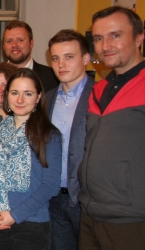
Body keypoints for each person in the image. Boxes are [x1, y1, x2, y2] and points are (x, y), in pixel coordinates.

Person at [79, 6, 145, 249]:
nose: (105, 45)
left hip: (132, 220)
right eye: (98, 38)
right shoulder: (98, 89)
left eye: (115, 35)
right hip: (90, 212)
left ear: (139, 37)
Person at [0, 68, 61, 249]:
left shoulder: (48, 135)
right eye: (15, 93)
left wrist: (15, 215)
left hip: (32, 225)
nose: (20, 100)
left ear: (38, 97)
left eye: (28, 94)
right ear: (7, 95)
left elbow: (51, 185)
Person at [45, 29, 94, 250]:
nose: (61, 64)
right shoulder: (46, 100)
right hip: (54, 199)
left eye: (69, 56)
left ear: (86, 58)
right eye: (56, 58)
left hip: (89, 201)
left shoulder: (100, 96)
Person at [0, 20, 59, 102]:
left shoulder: (52, 77)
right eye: (9, 41)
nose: (14, 45)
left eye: (20, 40)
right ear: (3, 46)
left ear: (31, 43)